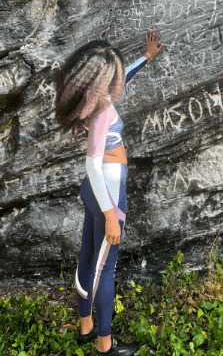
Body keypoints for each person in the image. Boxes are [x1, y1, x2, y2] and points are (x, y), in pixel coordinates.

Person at [54, 29, 164, 356]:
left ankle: (86, 327)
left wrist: (145, 57)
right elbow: (92, 163)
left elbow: (122, 78)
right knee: (105, 267)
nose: (117, 78)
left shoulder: (90, 97)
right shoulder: (101, 111)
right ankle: (105, 346)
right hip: (108, 190)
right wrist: (110, 215)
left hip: (93, 190)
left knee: (88, 256)